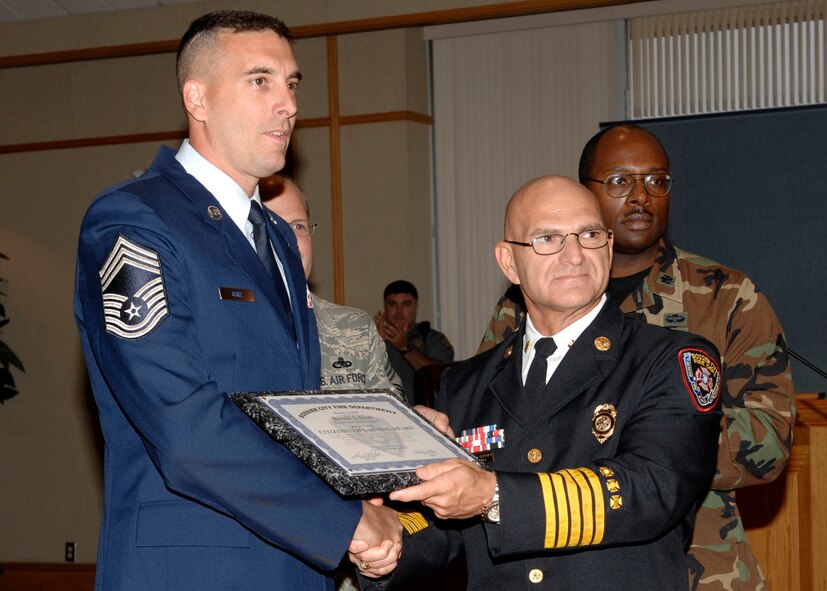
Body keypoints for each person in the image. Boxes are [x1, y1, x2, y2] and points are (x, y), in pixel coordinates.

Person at [73, 11, 399, 591]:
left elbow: (287, 413)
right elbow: (183, 426)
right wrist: (342, 522)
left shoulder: (273, 234)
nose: (288, 104)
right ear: (196, 98)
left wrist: (393, 439)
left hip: (296, 563)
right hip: (194, 568)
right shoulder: (134, 222)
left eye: (291, 83)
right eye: (260, 80)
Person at [359, 175, 723, 589]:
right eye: (547, 239)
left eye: (588, 234)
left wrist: (492, 495)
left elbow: (650, 487)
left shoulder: (670, 360)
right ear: (509, 262)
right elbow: (449, 526)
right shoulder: (466, 384)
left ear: (607, 244)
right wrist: (384, 539)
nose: (574, 256)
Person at [478, 124, 796, 590]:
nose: (641, 197)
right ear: (584, 192)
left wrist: (661, 430)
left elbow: (770, 447)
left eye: (656, 181)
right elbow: (490, 424)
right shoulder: (524, 303)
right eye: (619, 181)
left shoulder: (724, 296)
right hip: (554, 560)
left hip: (696, 563)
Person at [260, 174, 405, 401]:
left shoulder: (354, 330)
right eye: (273, 226)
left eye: (298, 226)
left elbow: (393, 418)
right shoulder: (223, 329)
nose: (290, 241)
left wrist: (418, 420)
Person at [374, 280, 454, 404]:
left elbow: (443, 378)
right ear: (384, 307)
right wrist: (375, 344)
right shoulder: (373, 338)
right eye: (392, 303)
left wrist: (405, 347)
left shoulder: (431, 338)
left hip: (425, 415)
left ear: (416, 307)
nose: (399, 310)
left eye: (406, 303)